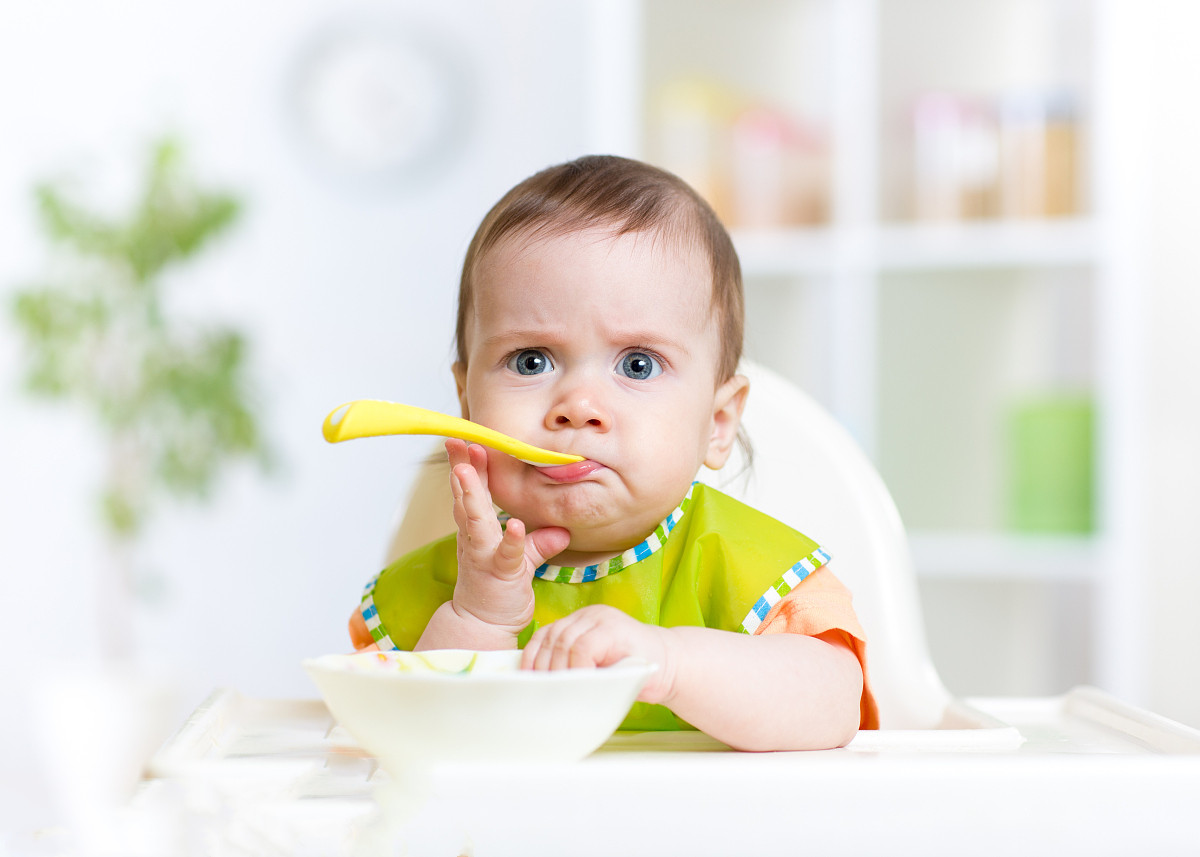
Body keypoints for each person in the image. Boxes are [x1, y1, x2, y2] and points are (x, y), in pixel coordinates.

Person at [348, 155, 878, 750]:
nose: (578, 405)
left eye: (637, 365)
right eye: (531, 361)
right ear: (467, 405)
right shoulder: (439, 590)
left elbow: (832, 708)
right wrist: (479, 617)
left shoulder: (746, 572)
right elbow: (414, 746)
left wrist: (670, 662)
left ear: (718, 422)